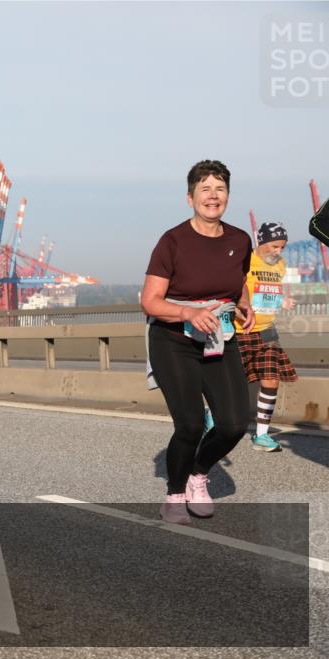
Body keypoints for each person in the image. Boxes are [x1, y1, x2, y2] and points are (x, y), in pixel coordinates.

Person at [141, 160, 254, 525]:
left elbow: (240, 282)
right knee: (190, 425)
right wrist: (188, 313)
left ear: (228, 196)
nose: (213, 196)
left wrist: (244, 306)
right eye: (205, 189)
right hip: (174, 340)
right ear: (190, 198)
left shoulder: (240, 240)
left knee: (234, 424)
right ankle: (174, 495)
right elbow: (150, 301)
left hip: (219, 337)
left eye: (220, 189)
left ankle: (198, 473)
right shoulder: (172, 241)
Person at [233, 222, 299, 453]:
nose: (278, 252)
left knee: (271, 379)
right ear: (260, 242)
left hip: (267, 330)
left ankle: (261, 435)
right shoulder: (245, 260)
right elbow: (234, 290)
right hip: (240, 329)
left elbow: (269, 293)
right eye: (274, 246)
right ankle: (213, 414)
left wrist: (282, 301)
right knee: (231, 382)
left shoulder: (281, 265)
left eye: (282, 247)